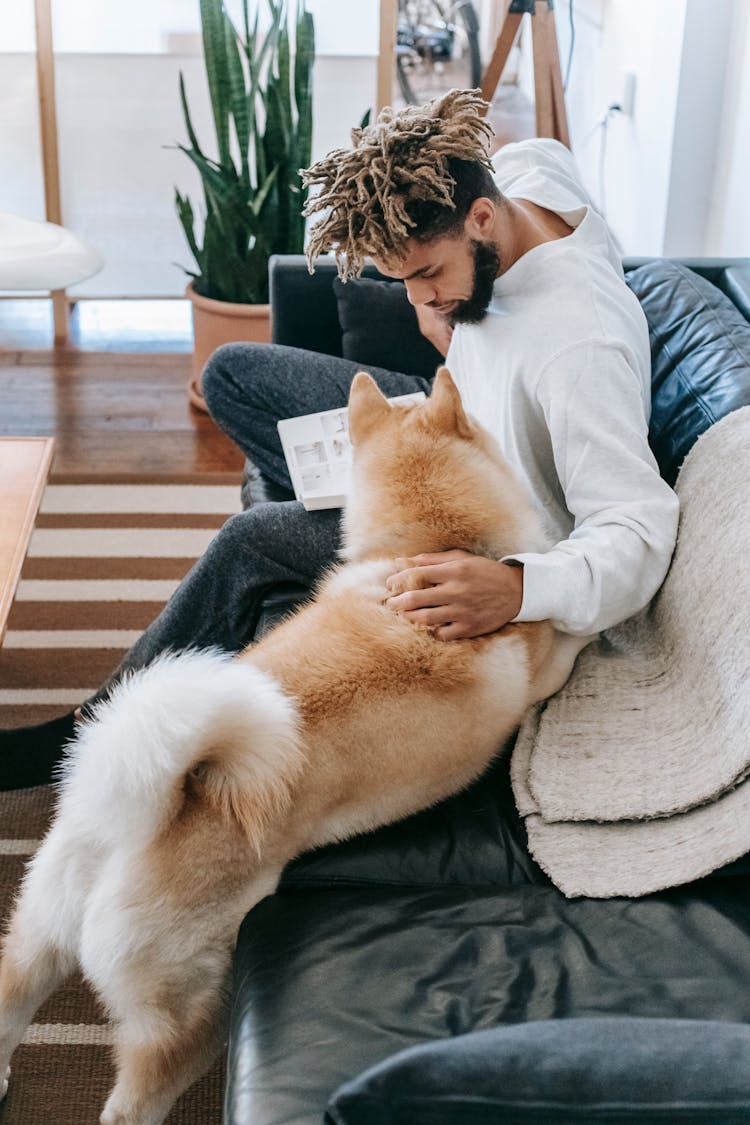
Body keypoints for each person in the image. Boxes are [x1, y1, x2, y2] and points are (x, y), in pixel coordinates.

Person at [0, 89, 679, 788]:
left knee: (253, 539)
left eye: (425, 276)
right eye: (402, 281)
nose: (419, 299)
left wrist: (514, 585)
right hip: (443, 429)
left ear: (481, 220)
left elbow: (640, 529)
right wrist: (449, 314)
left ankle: (88, 736)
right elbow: (531, 149)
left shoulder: (578, 348)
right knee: (233, 373)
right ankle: (360, 507)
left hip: (475, 530)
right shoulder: (529, 176)